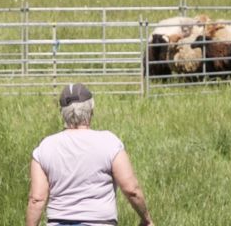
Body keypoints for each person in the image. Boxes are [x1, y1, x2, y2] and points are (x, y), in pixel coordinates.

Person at [26, 83, 153, 226]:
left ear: (62, 112)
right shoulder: (109, 142)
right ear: (92, 110)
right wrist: (146, 220)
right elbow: (131, 190)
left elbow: (36, 199)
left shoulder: (45, 147)